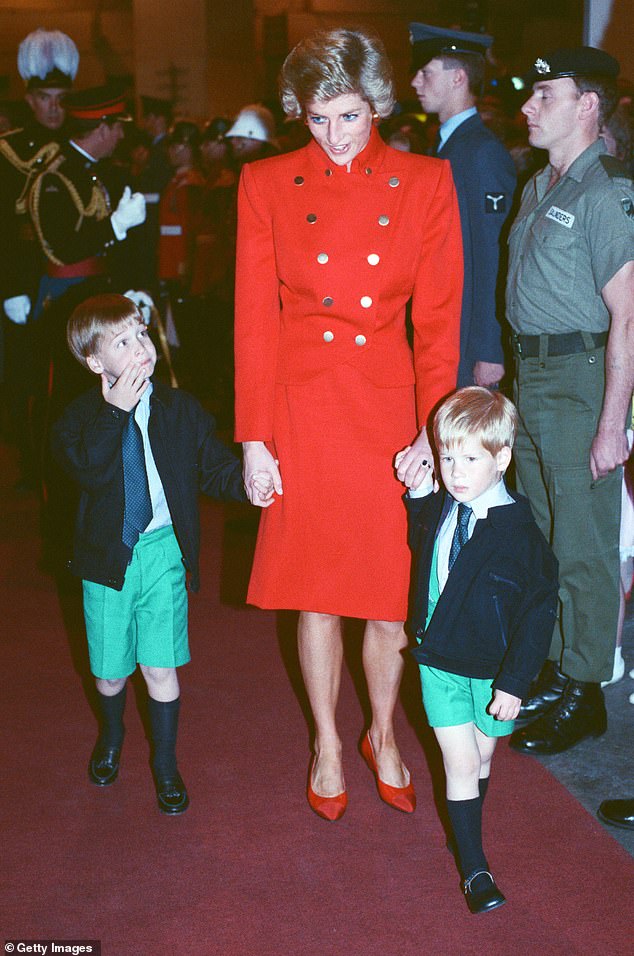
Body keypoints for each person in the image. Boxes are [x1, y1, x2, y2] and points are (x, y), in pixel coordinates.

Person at [234, 28, 463, 821]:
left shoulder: (426, 182)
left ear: (380, 107)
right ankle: (329, 743)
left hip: (386, 407)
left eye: (351, 117)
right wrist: (255, 438)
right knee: (317, 593)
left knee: (388, 597)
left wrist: (431, 437)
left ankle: (383, 732)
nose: (333, 137)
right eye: (318, 117)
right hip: (301, 406)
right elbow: (254, 321)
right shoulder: (264, 181)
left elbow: (438, 324)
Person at [51, 293, 271, 813]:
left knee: (161, 667)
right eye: (122, 343)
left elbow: (212, 468)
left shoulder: (178, 409)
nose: (140, 349)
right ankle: (111, 737)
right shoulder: (78, 420)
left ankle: (166, 764)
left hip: (163, 552)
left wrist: (248, 482)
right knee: (109, 672)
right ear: (95, 362)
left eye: (142, 335)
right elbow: (86, 468)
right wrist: (115, 414)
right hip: (107, 561)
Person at [506, 47, 634, 755]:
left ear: (587, 105)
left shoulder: (606, 191)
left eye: (544, 93)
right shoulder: (540, 187)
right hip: (534, 381)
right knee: (546, 535)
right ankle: (558, 669)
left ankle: (586, 689)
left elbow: (630, 314)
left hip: (581, 379)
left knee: (583, 541)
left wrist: (613, 422)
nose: (528, 105)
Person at [399, 387, 558, 912]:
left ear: (502, 459)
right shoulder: (448, 503)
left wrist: (515, 683)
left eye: (470, 459)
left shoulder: (521, 535)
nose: (455, 471)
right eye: (447, 456)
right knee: (463, 762)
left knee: (484, 755)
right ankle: (474, 868)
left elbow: (537, 616)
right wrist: (420, 498)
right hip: (438, 659)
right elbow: (425, 546)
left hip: (492, 671)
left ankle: (465, 827)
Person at [410, 22, 517, 389]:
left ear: (458, 78)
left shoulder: (481, 153)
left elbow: (493, 255)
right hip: (446, 330)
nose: (415, 82)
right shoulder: (447, 147)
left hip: (468, 342)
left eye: (426, 72)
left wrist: (490, 349)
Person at [0, 28, 79, 490]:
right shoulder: (9, 152)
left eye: (61, 97)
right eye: (45, 97)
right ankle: (33, 462)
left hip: (69, 279)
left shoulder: (80, 145)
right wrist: (9, 288)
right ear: (29, 101)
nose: (54, 107)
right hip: (26, 284)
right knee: (27, 381)